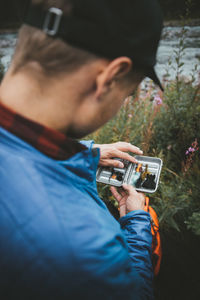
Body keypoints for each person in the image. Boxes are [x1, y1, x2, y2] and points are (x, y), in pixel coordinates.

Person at [0, 0, 163, 299]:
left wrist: (84, 155)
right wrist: (137, 223)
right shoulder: (84, 251)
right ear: (109, 77)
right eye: (128, 92)